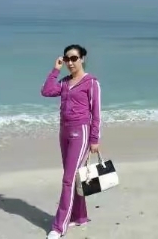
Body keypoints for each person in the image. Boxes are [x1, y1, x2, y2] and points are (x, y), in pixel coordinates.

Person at [41, 44, 101, 239]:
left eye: (74, 58)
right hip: (64, 132)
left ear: (82, 59)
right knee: (74, 177)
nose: (70, 62)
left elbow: (96, 113)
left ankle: (59, 227)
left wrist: (94, 139)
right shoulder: (65, 82)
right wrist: (55, 69)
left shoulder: (91, 82)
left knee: (67, 179)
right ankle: (80, 216)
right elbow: (46, 91)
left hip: (80, 132)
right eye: (67, 59)